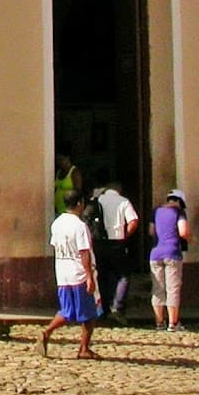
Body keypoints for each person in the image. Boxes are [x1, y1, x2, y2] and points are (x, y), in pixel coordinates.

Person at [39, 190, 102, 359]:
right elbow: (84, 252)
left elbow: (55, 245)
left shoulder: (57, 223)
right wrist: (89, 276)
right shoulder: (80, 226)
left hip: (63, 273)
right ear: (80, 203)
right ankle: (84, 348)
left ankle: (47, 331)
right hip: (79, 273)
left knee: (67, 311)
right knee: (90, 314)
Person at [92, 174, 140, 323]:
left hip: (99, 243)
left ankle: (103, 310)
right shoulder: (123, 201)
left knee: (102, 277)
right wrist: (125, 235)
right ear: (118, 189)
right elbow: (133, 221)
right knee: (123, 275)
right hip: (117, 242)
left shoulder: (97, 200)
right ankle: (118, 307)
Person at [149, 189, 192, 331]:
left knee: (158, 288)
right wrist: (190, 239)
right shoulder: (179, 213)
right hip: (172, 252)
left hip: (155, 253)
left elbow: (151, 231)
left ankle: (159, 322)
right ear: (179, 201)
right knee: (172, 288)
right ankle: (173, 323)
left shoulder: (156, 211)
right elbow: (183, 232)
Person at [53, 151, 82, 218]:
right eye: (57, 160)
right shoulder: (59, 172)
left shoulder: (74, 172)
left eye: (61, 159)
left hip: (69, 209)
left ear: (67, 158)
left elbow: (78, 190)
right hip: (58, 209)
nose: (59, 162)